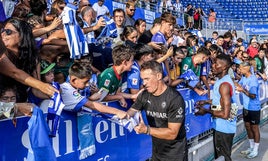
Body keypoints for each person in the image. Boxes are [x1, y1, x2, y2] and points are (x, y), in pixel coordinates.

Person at [127, 60, 188, 161]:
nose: (143, 83)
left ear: (159, 76)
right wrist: (112, 113)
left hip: (176, 153)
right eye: (142, 79)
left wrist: (146, 130)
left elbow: (172, 133)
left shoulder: (175, 99)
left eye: (147, 79)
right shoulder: (144, 95)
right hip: (157, 152)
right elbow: (130, 113)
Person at [195, 54, 237, 161]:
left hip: (224, 129)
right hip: (220, 127)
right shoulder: (220, 81)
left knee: (223, 158)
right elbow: (219, 102)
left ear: (224, 67)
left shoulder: (225, 85)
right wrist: (205, 101)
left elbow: (225, 114)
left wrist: (205, 111)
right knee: (220, 158)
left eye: (215, 64)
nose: (213, 66)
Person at [60, 62, 127, 118]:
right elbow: (92, 105)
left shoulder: (76, 87)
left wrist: (93, 95)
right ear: (74, 80)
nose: (87, 85)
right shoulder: (67, 90)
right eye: (85, 82)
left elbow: (96, 99)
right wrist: (117, 112)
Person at [235, 62, 261, 159]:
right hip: (246, 107)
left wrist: (242, 90)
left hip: (253, 108)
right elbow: (239, 84)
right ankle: (251, 147)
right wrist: (231, 79)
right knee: (248, 127)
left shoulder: (253, 80)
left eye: (241, 68)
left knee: (254, 128)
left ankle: (255, 150)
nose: (239, 70)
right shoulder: (244, 77)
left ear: (247, 68)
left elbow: (253, 96)